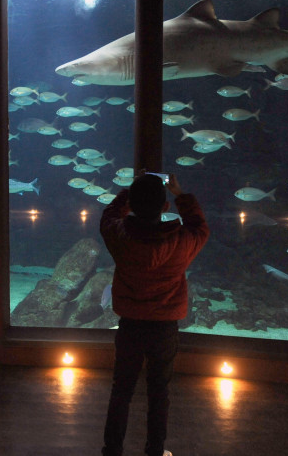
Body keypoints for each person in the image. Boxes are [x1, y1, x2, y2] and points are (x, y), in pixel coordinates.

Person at [99, 172, 209, 456]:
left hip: (130, 325)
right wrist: (180, 194)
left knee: (121, 389)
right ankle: (155, 450)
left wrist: (128, 192)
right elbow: (200, 227)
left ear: (132, 205)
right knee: (159, 391)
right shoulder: (182, 241)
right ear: (165, 207)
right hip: (164, 327)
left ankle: (112, 450)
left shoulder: (120, 236)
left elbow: (109, 215)